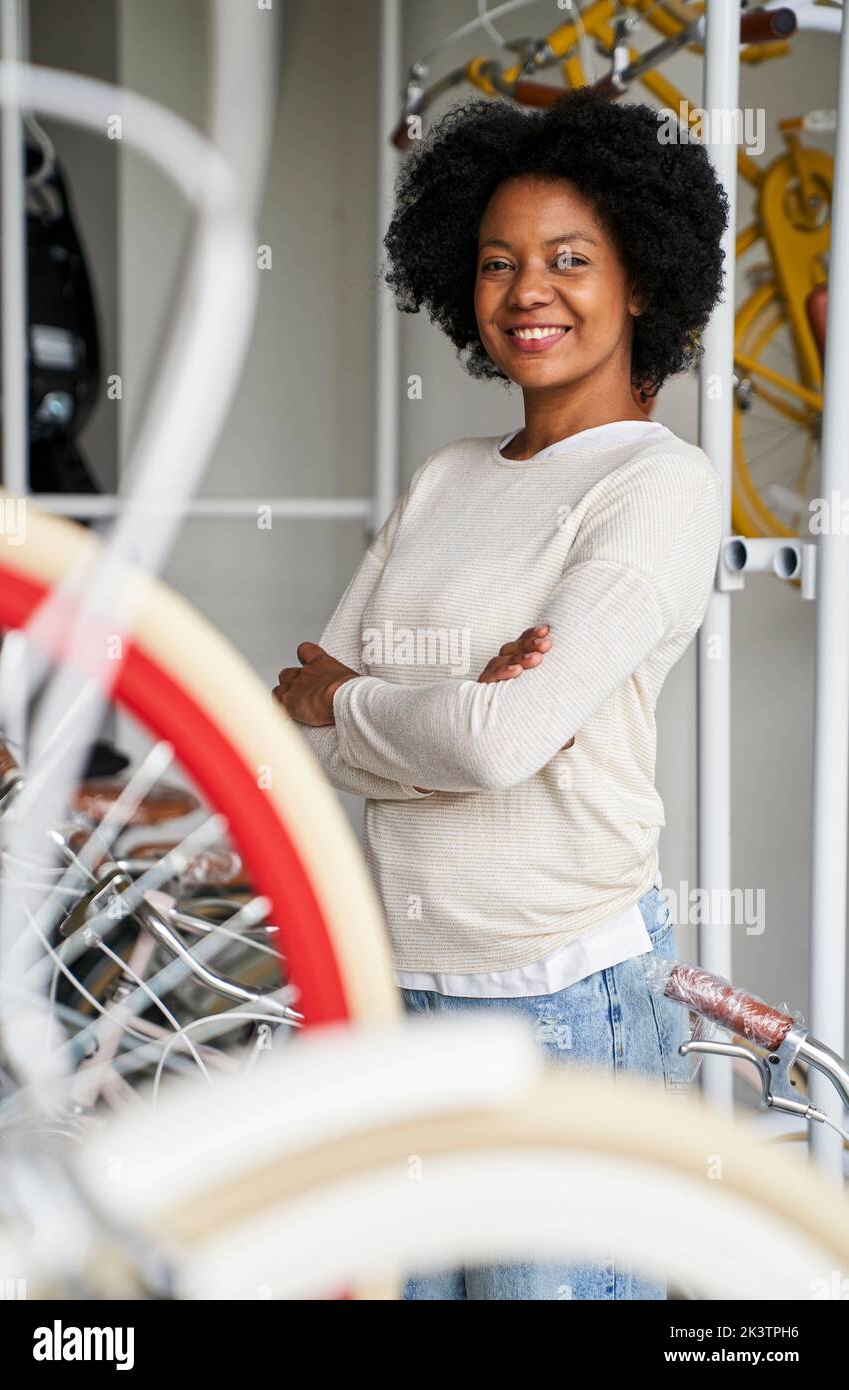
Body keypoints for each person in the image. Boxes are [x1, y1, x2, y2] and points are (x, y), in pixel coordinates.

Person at [273, 88, 728, 1300]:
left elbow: (493, 739)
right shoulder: (447, 476)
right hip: (403, 994)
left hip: (565, 1008)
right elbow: (295, 720)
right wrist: (429, 707)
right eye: (496, 262)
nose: (529, 290)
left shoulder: (658, 487)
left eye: (569, 259)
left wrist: (369, 701)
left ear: (639, 281)